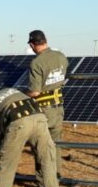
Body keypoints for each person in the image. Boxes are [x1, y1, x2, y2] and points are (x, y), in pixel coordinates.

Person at [25, 30, 68, 177]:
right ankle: (57, 175)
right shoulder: (61, 56)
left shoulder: (37, 63)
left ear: (32, 44)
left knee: (41, 146)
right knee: (56, 144)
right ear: (45, 40)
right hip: (58, 108)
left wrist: (22, 95)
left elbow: (35, 92)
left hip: (44, 110)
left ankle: (42, 182)